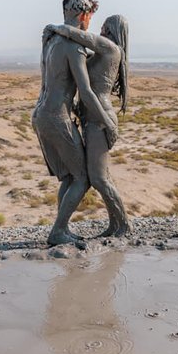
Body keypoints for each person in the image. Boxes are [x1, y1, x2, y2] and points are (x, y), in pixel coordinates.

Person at [33, 0, 114, 246]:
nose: (90, 24)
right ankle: (58, 231)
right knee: (82, 178)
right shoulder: (73, 46)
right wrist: (108, 122)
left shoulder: (51, 41)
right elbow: (87, 91)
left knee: (69, 177)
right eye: (91, 17)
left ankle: (63, 228)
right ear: (84, 15)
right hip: (57, 118)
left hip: (40, 115)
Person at [45, 14, 130, 237]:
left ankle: (121, 225)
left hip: (98, 119)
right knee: (95, 178)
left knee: (99, 178)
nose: (101, 31)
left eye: (105, 28)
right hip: (91, 118)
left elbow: (79, 35)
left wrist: (56, 27)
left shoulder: (111, 48)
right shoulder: (102, 53)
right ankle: (114, 225)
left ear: (113, 31)